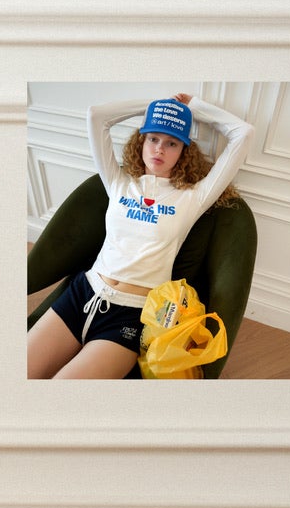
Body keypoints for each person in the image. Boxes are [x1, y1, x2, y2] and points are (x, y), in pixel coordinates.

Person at [27, 92, 255, 380]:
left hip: (130, 317)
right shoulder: (118, 183)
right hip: (82, 294)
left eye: (171, 143)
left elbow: (243, 133)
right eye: (153, 138)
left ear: (183, 152)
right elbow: (96, 115)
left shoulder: (192, 198)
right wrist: (156, 105)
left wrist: (192, 106)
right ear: (141, 142)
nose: (159, 149)